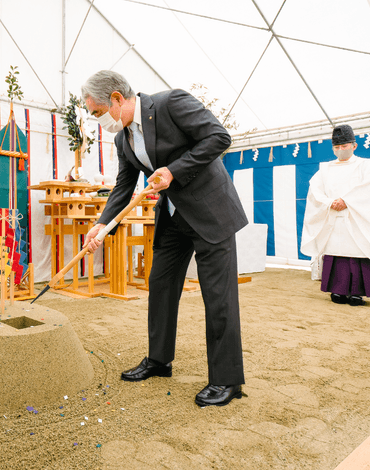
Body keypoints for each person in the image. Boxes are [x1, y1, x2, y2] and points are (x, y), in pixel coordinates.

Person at [80, 70, 248, 407]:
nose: (97, 120)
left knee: (218, 296)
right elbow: (124, 186)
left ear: (116, 98)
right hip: (172, 218)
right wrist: (102, 224)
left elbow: (218, 138)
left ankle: (226, 380)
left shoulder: (171, 103)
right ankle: (159, 360)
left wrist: (174, 170)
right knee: (160, 285)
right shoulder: (121, 139)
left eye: (97, 112)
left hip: (211, 213)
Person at [301, 124, 370, 306]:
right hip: (333, 218)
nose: (340, 150)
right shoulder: (325, 169)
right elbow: (315, 191)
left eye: (344, 146)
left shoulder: (366, 165)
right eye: (337, 147)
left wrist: (346, 200)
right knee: (336, 254)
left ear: (354, 146)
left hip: (357, 218)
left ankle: (357, 292)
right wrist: (329, 202)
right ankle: (337, 290)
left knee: (359, 253)